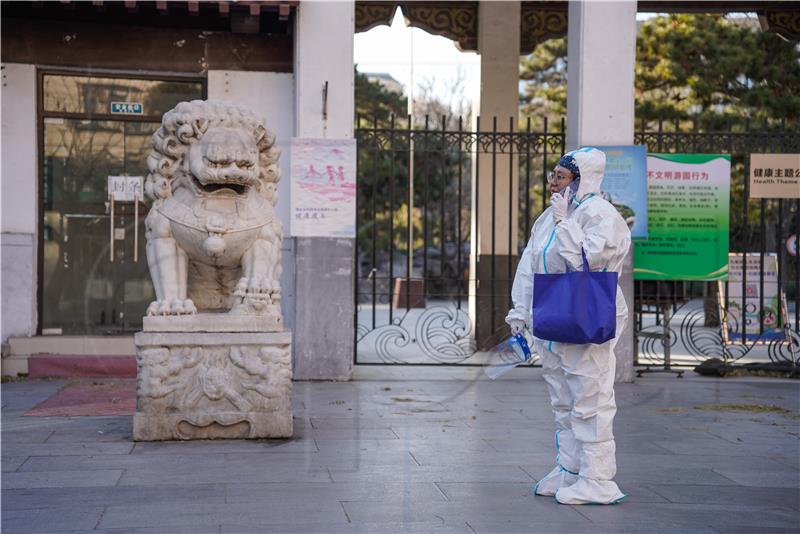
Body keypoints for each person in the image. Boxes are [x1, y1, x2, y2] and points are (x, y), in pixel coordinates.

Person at [505, 147, 631, 505]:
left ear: (582, 179)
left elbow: (586, 265)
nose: (552, 184)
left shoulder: (601, 215)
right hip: (551, 315)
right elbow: (530, 264)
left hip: (586, 315)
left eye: (560, 177)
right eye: (553, 176)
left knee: (589, 397)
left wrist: (566, 225)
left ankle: (597, 477)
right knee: (562, 397)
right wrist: (519, 311)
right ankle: (570, 468)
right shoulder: (548, 217)